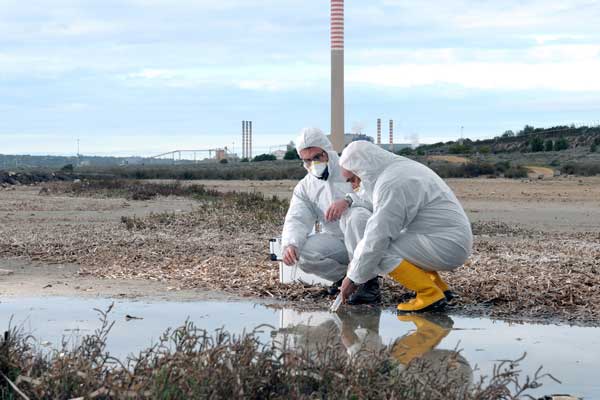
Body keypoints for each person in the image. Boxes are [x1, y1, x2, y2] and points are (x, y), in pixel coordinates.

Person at [337, 141, 473, 312]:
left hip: (446, 245)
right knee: (395, 239)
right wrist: (348, 200)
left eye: (353, 179)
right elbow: (369, 198)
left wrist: (354, 277)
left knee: (380, 251)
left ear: (363, 169)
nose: (354, 185)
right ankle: (439, 287)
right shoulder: (399, 170)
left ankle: (429, 293)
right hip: (450, 239)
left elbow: (378, 236)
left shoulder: (390, 183)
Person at [281, 128, 380, 303]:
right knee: (302, 253)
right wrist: (290, 244)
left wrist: (349, 200)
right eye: (307, 160)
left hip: (367, 239)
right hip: (337, 240)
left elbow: (376, 199)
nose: (313, 163)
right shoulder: (305, 187)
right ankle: (347, 279)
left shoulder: (352, 168)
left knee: (356, 216)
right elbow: (297, 218)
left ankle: (368, 282)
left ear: (327, 150)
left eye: (317, 157)